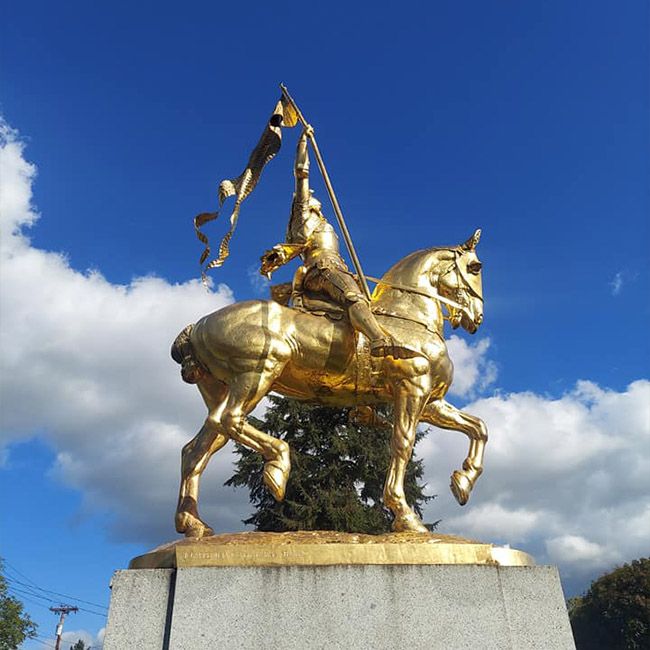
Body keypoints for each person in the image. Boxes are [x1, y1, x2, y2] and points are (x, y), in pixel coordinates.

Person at [261, 127, 411, 358]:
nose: (311, 195)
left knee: (372, 304)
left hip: (337, 269)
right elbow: (301, 173)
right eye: (310, 196)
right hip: (321, 270)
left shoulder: (321, 222)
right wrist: (303, 143)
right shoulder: (302, 217)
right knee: (354, 297)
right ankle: (379, 340)